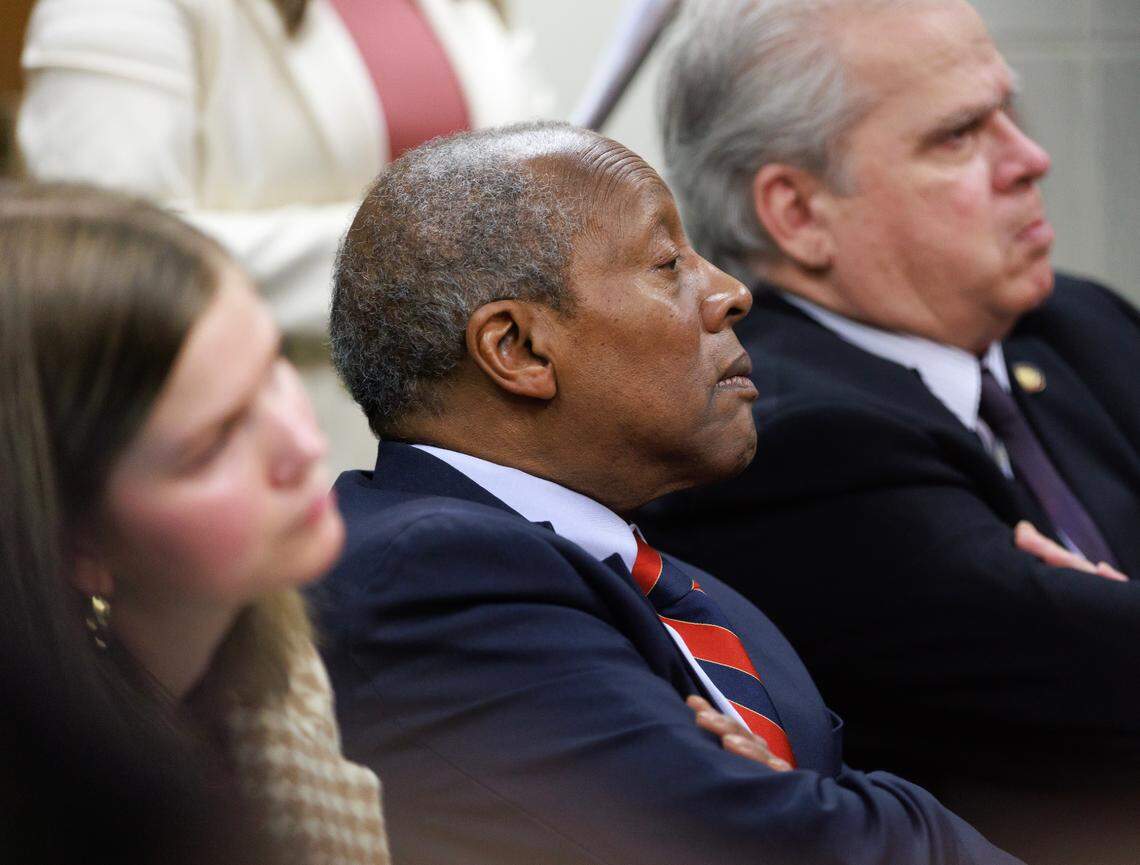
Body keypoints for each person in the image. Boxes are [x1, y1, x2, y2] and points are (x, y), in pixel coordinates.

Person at [313, 120, 1021, 865]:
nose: (731, 292)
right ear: (517, 349)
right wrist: (828, 808)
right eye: (666, 262)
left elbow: (811, 819)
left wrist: (806, 805)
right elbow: (775, 844)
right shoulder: (427, 570)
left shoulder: (699, 595)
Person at [638, 1, 1140, 861]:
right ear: (797, 212)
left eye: (1007, 113)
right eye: (958, 137)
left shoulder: (1077, 324)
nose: (1031, 158)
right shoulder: (785, 433)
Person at [0, 183, 389, 865]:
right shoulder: (52, 814)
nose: (302, 443)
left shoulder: (282, 675)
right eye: (212, 445)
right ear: (71, 546)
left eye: (271, 366)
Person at [16, 0, 550, 474]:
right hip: (271, 450)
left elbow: (533, 179)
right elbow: (108, 251)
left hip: (497, 455)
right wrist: (432, 255)